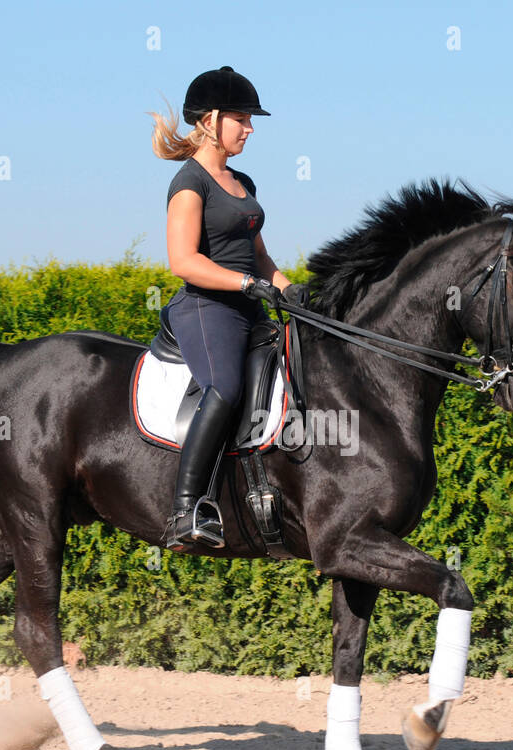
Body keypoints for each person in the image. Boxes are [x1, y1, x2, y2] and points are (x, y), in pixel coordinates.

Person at [148, 66, 308, 552]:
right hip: (205, 307)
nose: (250, 129)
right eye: (242, 118)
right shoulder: (189, 182)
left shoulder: (241, 180)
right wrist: (245, 283)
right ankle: (186, 508)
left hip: (250, 303)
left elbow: (258, 255)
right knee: (225, 386)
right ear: (212, 120)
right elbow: (184, 261)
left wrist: (286, 287)